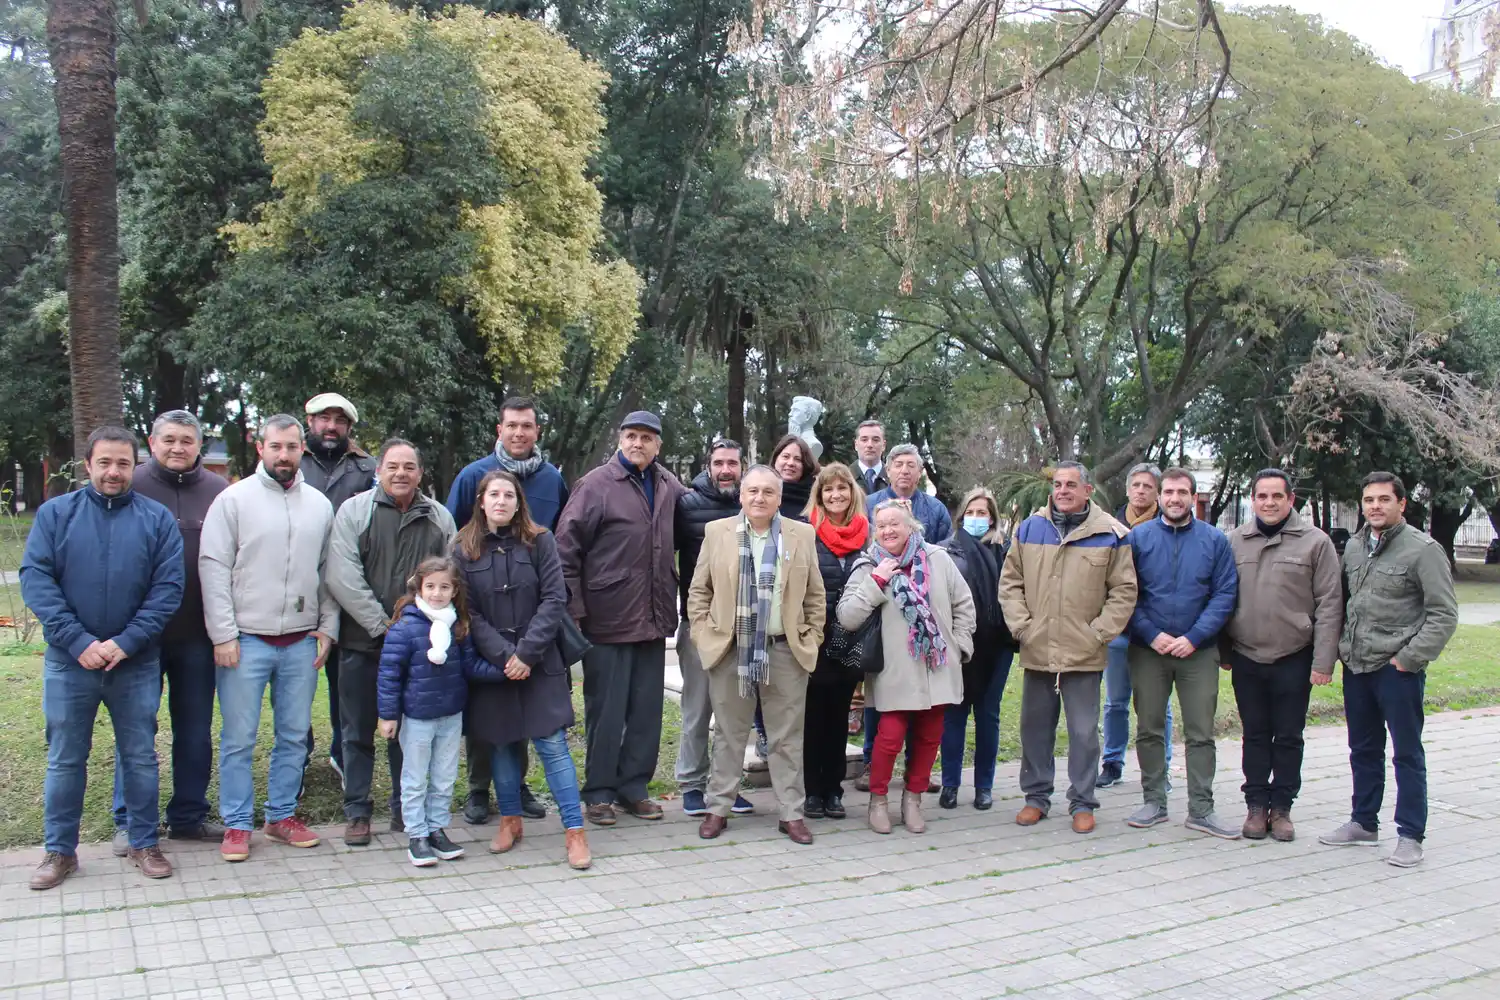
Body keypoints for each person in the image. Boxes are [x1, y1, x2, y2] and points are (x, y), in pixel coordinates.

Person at [22, 426, 185, 889]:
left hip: (134, 662)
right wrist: (79, 642)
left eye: (123, 463)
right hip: (69, 662)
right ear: (88, 464)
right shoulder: (56, 514)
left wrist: (126, 642)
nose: (114, 472)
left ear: (136, 465)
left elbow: (168, 589)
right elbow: (36, 579)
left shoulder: (156, 519)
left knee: (140, 757)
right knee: (65, 759)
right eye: (105, 463)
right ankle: (59, 852)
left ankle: (143, 842)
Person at [201, 414, 338, 863]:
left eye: (292, 447)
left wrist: (327, 626)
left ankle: (281, 816)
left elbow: (328, 571)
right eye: (276, 446)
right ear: (260, 448)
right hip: (246, 639)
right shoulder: (234, 500)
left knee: (294, 735)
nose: (284, 454)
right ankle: (237, 823)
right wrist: (223, 634)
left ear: (303, 450)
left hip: (300, 641)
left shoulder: (319, 505)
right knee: (239, 738)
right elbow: (213, 568)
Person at [1319, 472, 1458, 868]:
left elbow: (1444, 615)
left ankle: (1410, 835)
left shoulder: (1423, 550)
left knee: (1407, 753)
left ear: (1401, 504)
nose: (1375, 506)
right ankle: (1364, 823)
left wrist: (1408, 659)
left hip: (1397, 670)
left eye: (1383, 499)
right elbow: (1344, 603)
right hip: (1357, 666)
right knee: (1363, 749)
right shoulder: (1354, 547)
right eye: (1369, 500)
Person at [455, 471, 592, 870]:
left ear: (519, 502)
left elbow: (554, 598)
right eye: (494, 494)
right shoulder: (463, 548)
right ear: (482, 501)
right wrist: (504, 656)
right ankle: (510, 820)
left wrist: (527, 654)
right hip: (495, 664)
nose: (501, 501)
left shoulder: (540, 540)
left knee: (553, 745)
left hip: (540, 661)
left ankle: (574, 831)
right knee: (501, 743)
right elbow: (468, 611)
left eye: (509, 495)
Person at [555, 410, 685, 825]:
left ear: (658, 445)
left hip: (653, 617)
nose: (637, 443)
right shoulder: (595, 485)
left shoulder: (668, 485)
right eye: (631, 436)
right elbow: (565, 550)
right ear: (620, 439)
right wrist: (574, 610)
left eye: (646, 438)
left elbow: (698, 516)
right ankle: (599, 793)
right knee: (606, 713)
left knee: (646, 711)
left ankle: (634, 789)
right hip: (606, 618)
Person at [108, 410, 228, 855]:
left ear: (199, 446)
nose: (178, 448)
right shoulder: (131, 485)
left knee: (195, 731)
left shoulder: (219, 492)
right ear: (152, 443)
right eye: (169, 440)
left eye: (187, 440)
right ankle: (129, 819)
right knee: (136, 729)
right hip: (139, 636)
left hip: (197, 633)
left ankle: (188, 817)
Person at [326, 438, 456, 845]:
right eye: (393, 466)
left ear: (420, 473)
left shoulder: (438, 517)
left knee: (409, 732)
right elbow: (342, 575)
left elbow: (450, 576)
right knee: (356, 730)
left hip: (418, 651)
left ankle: (405, 809)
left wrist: (410, 632)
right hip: (360, 642)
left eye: (409, 467)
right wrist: (384, 627)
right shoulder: (354, 511)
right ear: (379, 470)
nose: (401, 473)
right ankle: (357, 811)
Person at [447, 397, 569, 824]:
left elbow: (559, 536)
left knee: (529, 715)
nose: (519, 433)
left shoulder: (551, 479)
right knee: (490, 718)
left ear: (537, 431)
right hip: (486, 621)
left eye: (527, 426)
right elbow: (458, 536)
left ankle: (516, 787)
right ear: (499, 430)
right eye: (512, 425)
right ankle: (479, 789)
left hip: (531, 615)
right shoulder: (472, 476)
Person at [689, 466, 826, 845]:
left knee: (786, 738)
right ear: (742, 495)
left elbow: (815, 594)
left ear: (779, 498)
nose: (760, 498)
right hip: (731, 650)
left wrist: (811, 636)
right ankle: (718, 807)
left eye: (768, 491)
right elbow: (699, 591)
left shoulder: (801, 534)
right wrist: (703, 634)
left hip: (785, 651)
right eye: (753, 491)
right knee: (729, 735)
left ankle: (791, 813)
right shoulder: (717, 532)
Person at [999, 461, 1136, 835]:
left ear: (1087, 490)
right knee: (1034, 729)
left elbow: (1124, 591)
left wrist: (1098, 633)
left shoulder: (1111, 534)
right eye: (1058, 484)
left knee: (1083, 732)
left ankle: (1083, 802)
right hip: (1038, 646)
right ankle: (1036, 797)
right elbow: (1010, 583)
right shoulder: (1030, 529)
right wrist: (1023, 627)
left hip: (1084, 652)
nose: (1062, 491)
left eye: (1071, 485)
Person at [839, 501, 975, 835]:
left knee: (929, 738)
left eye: (894, 523)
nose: (888, 530)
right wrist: (876, 581)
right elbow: (847, 616)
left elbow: (964, 604)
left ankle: (913, 799)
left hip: (937, 666)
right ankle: (878, 801)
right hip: (894, 671)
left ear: (911, 526)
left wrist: (958, 646)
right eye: (881, 525)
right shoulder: (868, 564)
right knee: (889, 738)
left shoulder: (937, 558)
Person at [1221, 469, 1342, 842]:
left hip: (1294, 656)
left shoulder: (1315, 542)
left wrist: (1323, 661)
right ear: (1252, 500)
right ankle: (1256, 805)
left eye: (1277, 496)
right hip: (1246, 656)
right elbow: (1221, 597)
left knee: (1289, 735)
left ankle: (1282, 808)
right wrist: (1224, 651)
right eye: (1262, 496)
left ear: (1291, 499)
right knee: (1255, 734)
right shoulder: (1234, 542)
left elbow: (1330, 604)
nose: (1269, 503)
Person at [1122, 468, 1239, 839]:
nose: (1175, 498)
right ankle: (1154, 802)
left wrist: (1194, 636)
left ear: (1193, 496)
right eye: (1169, 492)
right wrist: (1150, 633)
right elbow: (1125, 592)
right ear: (1159, 497)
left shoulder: (1214, 540)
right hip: (1148, 650)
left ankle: (1201, 809)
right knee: (1149, 728)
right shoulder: (1138, 539)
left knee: (1201, 732)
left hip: (1198, 652)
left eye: (1182, 492)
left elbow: (1224, 594)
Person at [376, 557, 474, 867]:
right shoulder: (405, 627)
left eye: (444, 587)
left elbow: (470, 666)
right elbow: (389, 674)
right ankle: (417, 834)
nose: (436, 593)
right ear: (419, 587)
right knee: (415, 777)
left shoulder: (458, 625)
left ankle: (436, 829)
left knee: (444, 777)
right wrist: (388, 715)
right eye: (430, 586)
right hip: (418, 717)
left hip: (450, 715)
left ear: (454, 590)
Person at [299, 392, 376, 788]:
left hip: (347, 593)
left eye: (340, 420)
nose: (331, 427)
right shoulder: (291, 463)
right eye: (323, 419)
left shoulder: (368, 469)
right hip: (299, 590)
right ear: (309, 422)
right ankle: (298, 753)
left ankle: (342, 754)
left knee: (345, 685)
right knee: (296, 682)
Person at [674, 440, 754, 818]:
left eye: (732, 464)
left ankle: (725, 786)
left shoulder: (752, 504)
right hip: (701, 623)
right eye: (719, 463)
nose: (726, 470)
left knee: (731, 715)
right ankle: (691, 783)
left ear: (742, 467)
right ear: (708, 466)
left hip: (745, 625)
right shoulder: (687, 506)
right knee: (697, 708)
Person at [937, 487, 1017, 811]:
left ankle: (984, 786)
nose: (975, 518)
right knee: (953, 715)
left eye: (982, 513)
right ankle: (950, 784)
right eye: (970, 512)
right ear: (961, 516)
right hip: (960, 644)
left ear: (992, 518)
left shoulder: (1006, 552)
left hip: (996, 646)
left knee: (988, 715)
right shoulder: (946, 550)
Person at [1098, 462, 1173, 788]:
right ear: (1128, 490)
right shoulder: (1110, 526)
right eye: (1136, 485)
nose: (1141, 491)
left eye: (1148, 486)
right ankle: (1112, 763)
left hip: (1155, 633)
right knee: (1115, 702)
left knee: (1157, 706)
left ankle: (1160, 769)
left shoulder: (1168, 527)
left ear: (1158, 492)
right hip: (1117, 630)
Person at [802, 463, 869, 820]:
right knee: (814, 718)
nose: (836, 495)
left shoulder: (867, 535)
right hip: (816, 639)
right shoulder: (806, 533)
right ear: (819, 495)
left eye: (842, 488)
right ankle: (812, 791)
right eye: (828, 489)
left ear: (852, 493)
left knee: (840, 717)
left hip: (852, 642)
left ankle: (834, 790)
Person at [865, 443, 951, 544]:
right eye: (898, 465)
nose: (904, 471)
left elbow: (947, 546)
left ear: (920, 472)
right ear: (888, 471)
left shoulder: (936, 508)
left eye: (911, 465)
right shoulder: (868, 504)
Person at [769, 433, 819, 522]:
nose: (791, 463)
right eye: (786, 456)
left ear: (805, 464)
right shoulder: (759, 493)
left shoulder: (817, 497)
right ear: (775, 459)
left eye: (797, 459)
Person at [852, 420, 889, 496]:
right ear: (856, 445)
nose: (870, 445)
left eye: (875, 440)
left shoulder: (894, 477)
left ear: (884, 445)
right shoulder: (845, 477)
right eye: (864, 440)